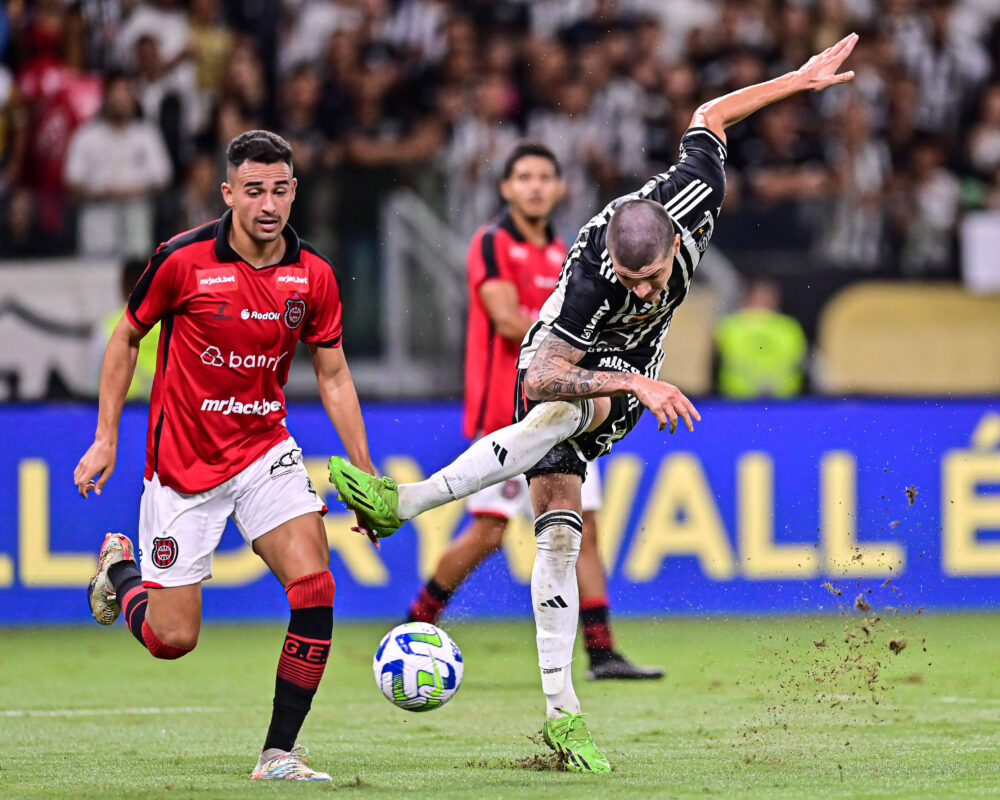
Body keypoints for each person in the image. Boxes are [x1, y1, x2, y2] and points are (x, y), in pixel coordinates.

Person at [331, 35, 859, 773]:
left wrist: (797, 81)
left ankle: (415, 511)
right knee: (558, 508)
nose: (641, 293)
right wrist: (632, 381)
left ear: (675, 242)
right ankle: (558, 709)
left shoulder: (694, 194)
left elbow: (711, 112)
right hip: (564, 359)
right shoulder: (591, 279)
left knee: (563, 526)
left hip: (634, 365)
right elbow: (544, 376)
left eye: (650, 281)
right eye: (629, 279)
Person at [75, 130, 377, 782]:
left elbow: (333, 376)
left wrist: (367, 469)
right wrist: (106, 438)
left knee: (315, 585)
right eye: (254, 190)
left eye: (280, 189)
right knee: (170, 640)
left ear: (294, 191)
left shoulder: (314, 275)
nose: (268, 204)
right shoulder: (181, 260)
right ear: (228, 193)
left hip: (264, 448)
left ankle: (278, 754)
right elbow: (126, 338)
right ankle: (120, 570)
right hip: (182, 467)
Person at [406, 141, 663, 681]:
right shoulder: (493, 243)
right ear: (507, 188)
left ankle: (602, 653)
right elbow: (504, 320)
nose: (536, 186)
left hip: (566, 412)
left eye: (546, 176)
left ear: (560, 187)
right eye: (524, 177)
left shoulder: (574, 253)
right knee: (486, 534)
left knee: (584, 528)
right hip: (509, 414)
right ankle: (411, 626)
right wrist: (569, 340)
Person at [89, 259, 161, 400]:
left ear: (123, 286)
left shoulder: (108, 326)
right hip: (163, 411)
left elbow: (93, 377)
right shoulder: (171, 322)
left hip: (123, 411)